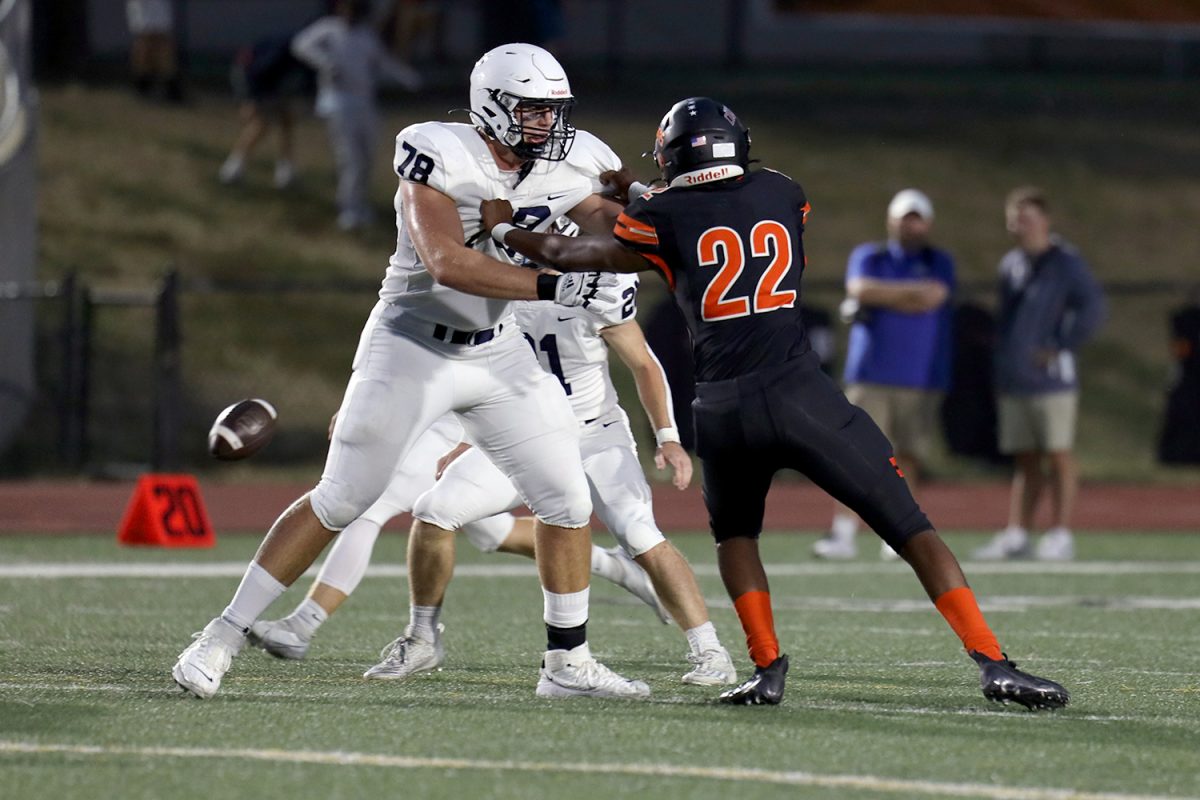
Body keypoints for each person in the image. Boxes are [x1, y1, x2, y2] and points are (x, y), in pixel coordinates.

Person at [480, 96, 1070, 710]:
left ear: (672, 159)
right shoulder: (783, 192)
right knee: (909, 526)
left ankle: (766, 667)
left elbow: (572, 251)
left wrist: (501, 225)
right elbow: (715, 207)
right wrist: (646, 193)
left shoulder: (663, 217)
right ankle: (992, 661)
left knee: (736, 538)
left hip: (722, 407)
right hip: (799, 393)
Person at [172, 42, 653, 702]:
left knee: (567, 501)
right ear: (492, 108)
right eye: (533, 111)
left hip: (498, 350)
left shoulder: (570, 160)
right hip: (411, 346)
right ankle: (220, 637)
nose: (547, 125)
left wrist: (664, 224)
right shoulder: (438, 152)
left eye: (553, 111)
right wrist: (550, 283)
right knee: (343, 497)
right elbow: (445, 261)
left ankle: (567, 666)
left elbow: (617, 235)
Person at [358, 269, 735, 687]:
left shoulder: (596, 287)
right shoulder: (498, 286)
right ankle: (421, 638)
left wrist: (667, 436)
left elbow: (644, 363)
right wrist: (469, 438)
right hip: (527, 431)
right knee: (433, 511)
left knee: (639, 532)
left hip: (594, 432)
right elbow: (481, 371)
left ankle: (710, 650)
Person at [248, 410, 671, 661]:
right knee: (493, 531)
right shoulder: (444, 269)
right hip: (439, 408)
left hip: (455, 416)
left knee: (368, 511)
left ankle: (302, 625)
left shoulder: (480, 273)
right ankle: (615, 565)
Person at [813, 189, 955, 561]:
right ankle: (843, 533)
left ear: (928, 223)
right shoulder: (869, 256)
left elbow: (934, 297)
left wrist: (885, 295)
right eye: (905, 217)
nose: (911, 224)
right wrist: (909, 294)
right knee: (856, 456)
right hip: (870, 374)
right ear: (892, 220)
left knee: (908, 457)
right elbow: (861, 288)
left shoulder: (939, 260)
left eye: (917, 217)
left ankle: (900, 534)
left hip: (919, 377)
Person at [973, 187, 1106, 562]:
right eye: (1014, 218)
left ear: (1045, 221)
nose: (1020, 225)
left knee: (1058, 453)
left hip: (1051, 377)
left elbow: (1093, 307)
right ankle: (1018, 533)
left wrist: (1062, 343)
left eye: (1028, 217)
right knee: (1025, 458)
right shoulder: (1011, 264)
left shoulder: (1066, 262)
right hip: (1015, 376)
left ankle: (1061, 533)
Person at [291, 0, 423, 230]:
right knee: (350, 157)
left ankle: (361, 204)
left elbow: (382, 62)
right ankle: (348, 209)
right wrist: (325, 62)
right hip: (339, 102)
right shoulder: (328, 28)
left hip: (364, 103)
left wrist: (408, 78)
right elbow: (300, 44)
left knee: (367, 157)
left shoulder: (365, 35)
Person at [218, 33, 315, 188]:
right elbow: (257, 71)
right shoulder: (283, 52)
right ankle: (232, 168)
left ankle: (285, 172)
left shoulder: (303, 49)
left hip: (269, 81)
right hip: (251, 75)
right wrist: (249, 99)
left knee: (286, 120)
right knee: (261, 124)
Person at [125, 0, 182, 102]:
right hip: (143, 9)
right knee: (144, 43)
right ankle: (143, 86)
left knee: (162, 44)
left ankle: (170, 87)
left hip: (159, 10)